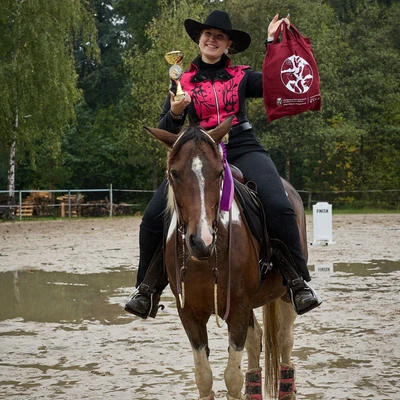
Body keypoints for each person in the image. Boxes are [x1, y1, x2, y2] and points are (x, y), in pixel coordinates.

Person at [125, 10, 322, 318]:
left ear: (229, 44)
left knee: (280, 205)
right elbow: (166, 126)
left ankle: (297, 281)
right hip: (198, 156)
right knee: (152, 217)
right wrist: (177, 112)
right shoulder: (182, 79)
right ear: (199, 39)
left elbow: (274, 83)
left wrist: (273, 42)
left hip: (242, 146)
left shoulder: (243, 75)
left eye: (219, 36)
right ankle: (146, 289)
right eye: (207, 34)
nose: (212, 39)